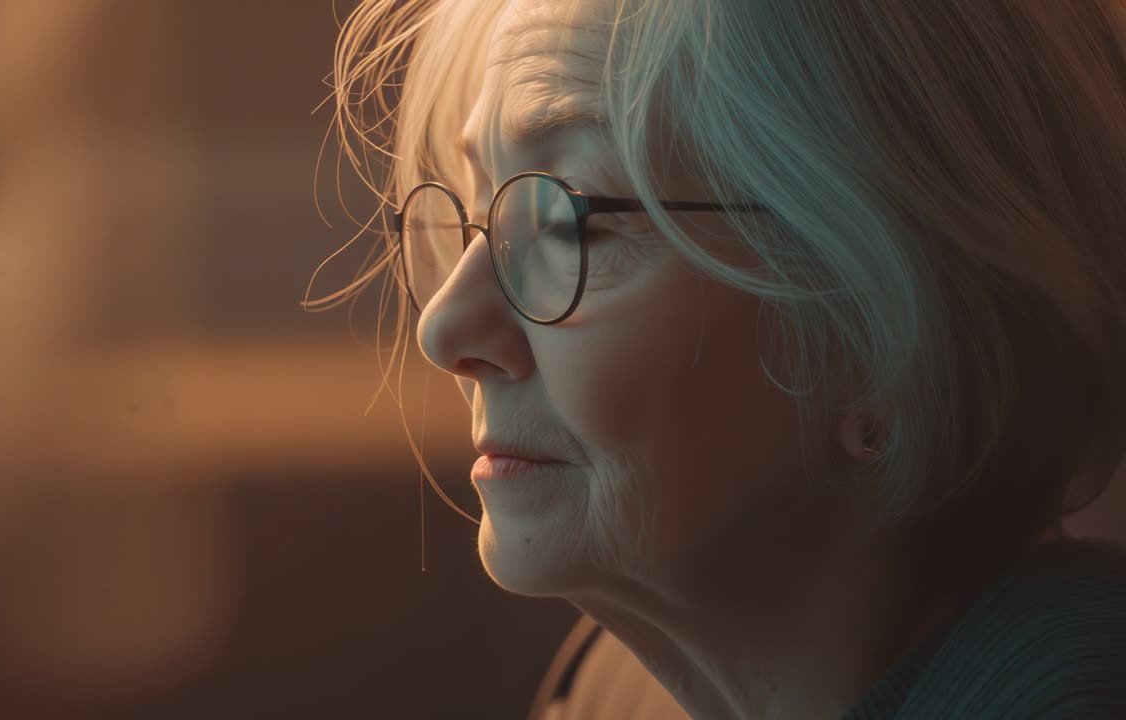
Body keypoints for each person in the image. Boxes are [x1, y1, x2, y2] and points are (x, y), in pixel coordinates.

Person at [314, 0, 1126, 717]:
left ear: (892, 334)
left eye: (565, 226)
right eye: (479, 207)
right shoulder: (607, 691)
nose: (445, 330)